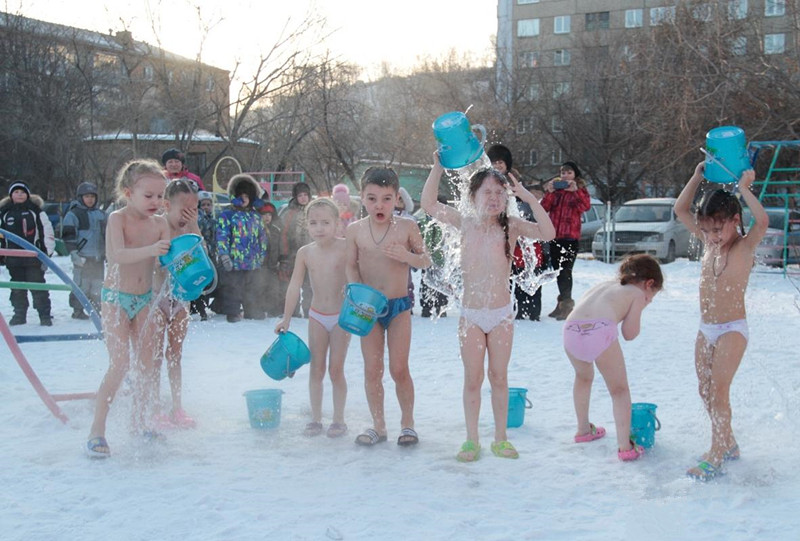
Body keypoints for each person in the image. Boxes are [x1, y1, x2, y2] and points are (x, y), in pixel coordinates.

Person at [421, 153, 555, 462]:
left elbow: (548, 233)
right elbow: (429, 204)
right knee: (472, 379)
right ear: (473, 196)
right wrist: (438, 165)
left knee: (498, 376)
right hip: (470, 315)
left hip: (500, 315)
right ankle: (471, 439)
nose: (494, 198)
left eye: (500, 193)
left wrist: (527, 198)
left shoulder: (512, 226)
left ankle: (500, 438)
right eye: (487, 193)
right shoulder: (464, 222)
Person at [675, 163, 768, 480]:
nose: (712, 236)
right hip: (706, 328)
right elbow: (680, 208)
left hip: (732, 329)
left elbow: (764, 220)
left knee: (719, 390)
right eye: (706, 230)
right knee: (705, 390)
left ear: (734, 221)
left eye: (718, 229)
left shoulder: (744, 246)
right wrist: (698, 174)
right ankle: (728, 443)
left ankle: (715, 454)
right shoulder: (706, 243)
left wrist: (744, 189)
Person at [86, 159, 171, 458]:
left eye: (160, 196)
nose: (156, 202)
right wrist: (152, 250)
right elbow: (116, 255)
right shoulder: (117, 219)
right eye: (148, 196)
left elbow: (166, 263)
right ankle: (97, 430)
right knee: (120, 364)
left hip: (145, 299)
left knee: (148, 365)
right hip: (115, 299)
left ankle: (140, 422)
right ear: (127, 192)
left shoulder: (161, 223)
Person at [345, 166, 431, 447]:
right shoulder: (355, 230)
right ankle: (378, 425)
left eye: (385, 198)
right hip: (367, 308)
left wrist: (406, 255)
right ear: (362, 198)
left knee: (398, 369)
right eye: (371, 199)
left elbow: (426, 260)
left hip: (398, 307)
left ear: (397, 199)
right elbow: (350, 265)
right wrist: (357, 294)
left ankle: (408, 424)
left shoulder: (407, 227)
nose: (378, 205)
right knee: (372, 370)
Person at [564, 254, 663, 462]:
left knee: (583, 378)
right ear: (649, 283)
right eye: (650, 297)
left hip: (570, 329)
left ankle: (583, 429)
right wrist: (638, 308)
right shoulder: (636, 293)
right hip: (599, 331)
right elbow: (629, 333)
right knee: (619, 390)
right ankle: (625, 446)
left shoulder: (605, 285)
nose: (648, 301)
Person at [275, 198, 351, 438]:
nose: (319, 228)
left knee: (336, 370)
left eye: (326, 222)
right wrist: (286, 318)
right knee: (316, 369)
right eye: (314, 223)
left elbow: (358, 281)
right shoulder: (305, 253)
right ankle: (316, 419)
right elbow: (294, 286)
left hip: (341, 317)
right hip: (317, 316)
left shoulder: (346, 247)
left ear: (338, 224)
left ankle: (338, 419)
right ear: (306, 225)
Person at [152, 178, 201, 429]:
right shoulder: (157, 225)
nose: (188, 215)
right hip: (156, 298)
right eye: (184, 209)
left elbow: (200, 257)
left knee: (175, 354)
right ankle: (154, 406)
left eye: (194, 209)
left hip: (179, 298)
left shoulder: (190, 229)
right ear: (166, 204)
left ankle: (177, 406)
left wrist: (193, 225)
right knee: (154, 355)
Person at [487, 144, 544, 321]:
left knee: (524, 269)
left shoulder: (515, 184)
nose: (497, 166)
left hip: (518, 235)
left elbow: (528, 211)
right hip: (493, 236)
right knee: (499, 275)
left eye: (500, 162)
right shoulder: (484, 181)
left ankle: (529, 310)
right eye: (494, 162)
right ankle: (499, 308)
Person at [0, 181, 55, 326]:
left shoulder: (36, 211)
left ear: (28, 195)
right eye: (16, 192)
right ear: (11, 195)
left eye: (22, 192)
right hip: (13, 259)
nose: (19, 194)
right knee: (17, 289)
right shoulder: (4, 213)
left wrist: (46, 255)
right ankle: (19, 314)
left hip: (33, 259)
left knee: (38, 287)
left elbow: (47, 232)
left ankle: (44, 315)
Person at [541, 161, 591, 320]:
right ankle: (562, 302)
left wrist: (576, 192)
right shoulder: (556, 190)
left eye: (569, 173)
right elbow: (544, 208)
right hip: (555, 236)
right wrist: (549, 192)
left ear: (575, 175)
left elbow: (585, 207)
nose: (565, 176)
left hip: (570, 237)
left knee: (565, 271)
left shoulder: (581, 190)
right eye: (563, 172)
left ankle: (567, 304)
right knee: (557, 270)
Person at [215, 174, 268, 322]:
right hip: (234, 261)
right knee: (233, 288)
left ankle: (252, 310)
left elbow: (262, 238)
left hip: (252, 261)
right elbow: (222, 236)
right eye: (241, 196)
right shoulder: (228, 215)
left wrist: (261, 254)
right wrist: (224, 255)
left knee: (252, 288)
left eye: (247, 196)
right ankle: (233, 312)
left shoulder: (256, 216)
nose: (244, 199)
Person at [61, 182, 107, 319]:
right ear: (80, 197)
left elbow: (107, 235)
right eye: (87, 196)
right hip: (82, 257)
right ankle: (78, 309)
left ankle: (97, 309)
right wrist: (74, 253)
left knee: (98, 285)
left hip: (98, 257)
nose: (90, 199)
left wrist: (108, 252)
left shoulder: (101, 215)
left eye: (92, 196)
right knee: (82, 285)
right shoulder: (73, 214)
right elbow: (68, 236)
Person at [279, 182, 312, 317]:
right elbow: (284, 234)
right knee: (294, 283)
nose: (303, 198)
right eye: (300, 195)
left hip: (312, 253)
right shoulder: (289, 213)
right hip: (294, 254)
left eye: (306, 195)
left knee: (310, 285)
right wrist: (284, 254)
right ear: (295, 197)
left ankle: (310, 310)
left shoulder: (314, 210)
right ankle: (293, 310)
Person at [190, 191, 216, 320]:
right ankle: (199, 309)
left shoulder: (210, 218)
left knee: (205, 281)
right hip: (198, 254)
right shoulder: (199, 218)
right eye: (203, 204)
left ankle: (202, 307)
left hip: (208, 253)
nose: (206, 207)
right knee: (198, 282)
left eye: (208, 204)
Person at [257, 201, 283, 317]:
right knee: (260, 287)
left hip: (273, 265)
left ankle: (273, 310)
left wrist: (279, 260)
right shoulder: (257, 230)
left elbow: (279, 247)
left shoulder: (276, 230)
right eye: (264, 215)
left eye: (269, 215)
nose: (267, 218)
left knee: (274, 289)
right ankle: (260, 309)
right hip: (261, 265)